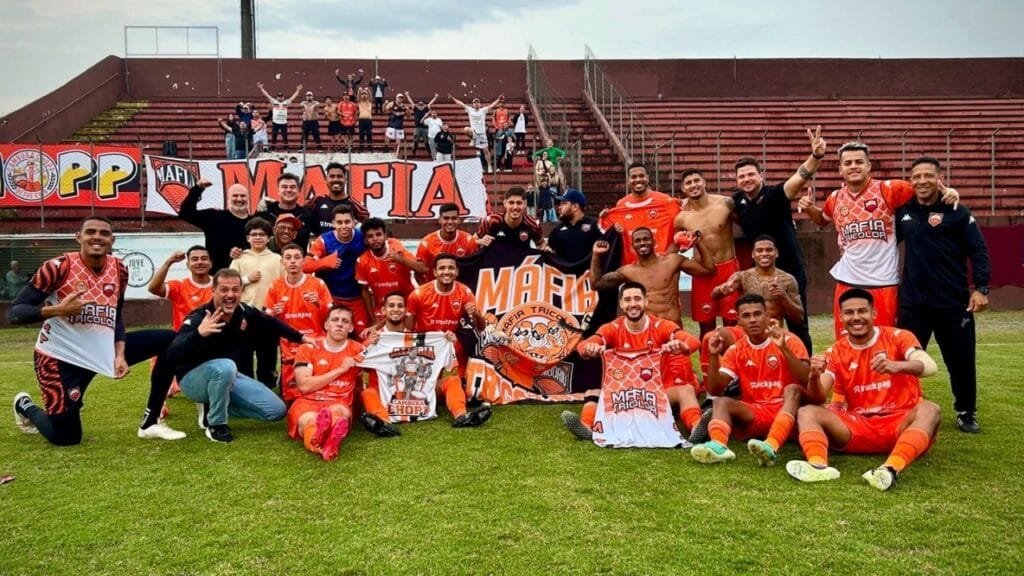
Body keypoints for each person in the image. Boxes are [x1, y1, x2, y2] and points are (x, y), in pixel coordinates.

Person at [10, 216, 186, 445]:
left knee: (171, 339)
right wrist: (57, 310)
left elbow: (115, 317)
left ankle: (150, 422)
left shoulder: (119, 269)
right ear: (78, 237)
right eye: (90, 232)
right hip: (61, 356)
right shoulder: (57, 267)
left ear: (112, 239)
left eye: (104, 233)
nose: (97, 237)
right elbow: (15, 313)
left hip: (103, 350)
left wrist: (120, 354)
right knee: (66, 437)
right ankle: (25, 406)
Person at [785, 288, 942, 491]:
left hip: (900, 423)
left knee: (930, 409)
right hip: (859, 426)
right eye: (849, 312)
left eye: (862, 311)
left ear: (873, 313)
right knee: (807, 411)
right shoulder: (836, 351)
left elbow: (930, 366)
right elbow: (818, 397)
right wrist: (813, 377)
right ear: (841, 317)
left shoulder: (898, 336)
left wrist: (897, 366)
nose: (856, 317)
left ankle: (890, 469)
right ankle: (818, 465)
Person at [799, 140, 959, 337]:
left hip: (883, 284)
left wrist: (948, 191)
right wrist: (809, 208)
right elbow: (823, 220)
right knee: (846, 342)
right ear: (840, 169)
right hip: (847, 281)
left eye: (859, 162)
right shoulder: (835, 198)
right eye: (848, 163)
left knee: (883, 342)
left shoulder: (889, 189)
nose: (853, 166)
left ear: (869, 165)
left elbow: (924, 187)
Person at [896, 156, 991, 433]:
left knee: (961, 359)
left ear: (939, 179)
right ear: (910, 181)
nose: (922, 181)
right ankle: (901, 408)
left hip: (952, 302)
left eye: (928, 175)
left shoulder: (957, 211)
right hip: (914, 303)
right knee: (907, 361)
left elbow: (978, 250)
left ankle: (966, 411)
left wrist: (981, 288)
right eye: (916, 176)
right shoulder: (903, 212)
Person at [167, 268, 310, 443]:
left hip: (227, 375)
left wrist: (301, 338)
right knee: (226, 366)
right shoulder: (200, 317)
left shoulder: (243, 311)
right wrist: (198, 334)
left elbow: (270, 322)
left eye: (235, 289)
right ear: (213, 290)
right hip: (192, 379)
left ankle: (210, 407)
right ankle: (216, 424)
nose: (230, 295)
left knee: (276, 411)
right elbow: (173, 350)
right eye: (224, 289)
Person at [560, 281, 700, 444]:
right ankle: (586, 427)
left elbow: (693, 341)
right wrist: (589, 348)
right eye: (627, 300)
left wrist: (683, 347)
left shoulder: (660, 325)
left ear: (645, 301)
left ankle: (697, 427)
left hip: (657, 394)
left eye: (637, 299)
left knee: (686, 390)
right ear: (621, 304)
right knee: (594, 391)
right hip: (625, 397)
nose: (633, 304)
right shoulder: (613, 328)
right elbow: (584, 345)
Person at [732, 127, 830, 352]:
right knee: (760, 324)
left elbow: (801, 176)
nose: (746, 179)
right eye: (742, 176)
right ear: (736, 181)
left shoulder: (776, 194)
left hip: (789, 268)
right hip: (759, 273)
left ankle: (804, 368)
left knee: (798, 324)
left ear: (761, 175)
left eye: (750, 174)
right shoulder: (737, 202)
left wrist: (816, 156)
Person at [689, 294, 810, 466]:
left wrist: (783, 349)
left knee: (793, 389)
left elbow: (806, 380)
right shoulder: (736, 349)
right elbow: (715, 389)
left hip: (789, 412)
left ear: (767, 316)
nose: (752, 320)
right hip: (756, 412)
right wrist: (714, 356)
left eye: (757, 314)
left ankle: (771, 445)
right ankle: (718, 446)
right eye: (746, 316)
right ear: (739, 321)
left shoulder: (790, 340)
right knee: (720, 402)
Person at [359, 292, 492, 436]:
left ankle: (461, 415)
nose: (396, 309)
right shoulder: (375, 338)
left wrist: (447, 340)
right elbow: (361, 366)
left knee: (452, 380)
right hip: (388, 393)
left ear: (405, 310)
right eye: (391, 306)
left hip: (420, 389)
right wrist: (369, 345)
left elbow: (439, 358)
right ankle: (383, 423)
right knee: (368, 392)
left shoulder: (417, 335)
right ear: (383, 310)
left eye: (400, 306)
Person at [591, 227, 714, 325]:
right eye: (638, 241)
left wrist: (698, 242)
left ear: (654, 242)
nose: (642, 243)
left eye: (646, 239)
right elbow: (596, 284)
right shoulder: (627, 271)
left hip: (673, 327)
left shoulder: (672, 261)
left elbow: (708, 269)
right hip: (647, 330)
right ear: (633, 246)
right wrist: (596, 255)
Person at [288, 306, 363, 461]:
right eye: (335, 320)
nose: (340, 324)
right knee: (309, 419)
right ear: (326, 325)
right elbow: (304, 386)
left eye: (345, 321)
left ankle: (324, 440)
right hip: (308, 400)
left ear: (351, 328)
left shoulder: (359, 350)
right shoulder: (308, 348)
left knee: (338, 413)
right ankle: (321, 440)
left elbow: (381, 362)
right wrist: (340, 370)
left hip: (339, 400)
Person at [674, 168, 739, 338]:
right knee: (706, 325)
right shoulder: (681, 217)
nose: (693, 185)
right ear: (683, 188)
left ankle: (733, 356)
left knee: (732, 323)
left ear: (704, 182)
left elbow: (749, 222)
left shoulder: (725, 204)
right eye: (688, 183)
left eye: (696, 180)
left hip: (728, 269)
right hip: (702, 273)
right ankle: (706, 356)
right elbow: (673, 246)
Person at [265, 243, 331, 404]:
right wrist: (274, 313)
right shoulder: (275, 285)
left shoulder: (318, 284)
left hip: (314, 339)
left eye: (297, 257)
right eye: (288, 258)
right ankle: (290, 396)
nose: (292, 261)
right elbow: (267, 317)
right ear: (282, 262)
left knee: (315, 386)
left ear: (303, 261)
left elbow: (332, 315)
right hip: (289, 342)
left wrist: (319, 304)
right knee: (290, 399)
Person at [405, 253, 486, 375]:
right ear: (435, 272)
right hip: (424, 341)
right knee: (422, 378)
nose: (447, 272)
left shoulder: (465, 292)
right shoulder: (418, 294)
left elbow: (481, 327)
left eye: (451, 268)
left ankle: (459, 376)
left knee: (454, 378)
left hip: (450, 341)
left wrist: (476, 315)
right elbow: (408, 330)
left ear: (457, 272)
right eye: (442, 268)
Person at [303, 205, 370, 336]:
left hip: (356, 298)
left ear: (354, 222)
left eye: (347, 222)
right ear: (333, 223)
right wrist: (325, 262)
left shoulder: (362, 237)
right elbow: (305, 266)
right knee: (329, 336)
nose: (343, 226)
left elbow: (380, 244)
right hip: (331, 298)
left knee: (362, 336)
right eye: (339, 222)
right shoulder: (324, 240)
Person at [711, 235, 803, 329]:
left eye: (769, 250)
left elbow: (799, 318)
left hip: (773, 331)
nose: (764, 254)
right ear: (753, 254)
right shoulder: (742, 277)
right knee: (713, 335)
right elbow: (714, 295)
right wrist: (721, 290)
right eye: (759, 250)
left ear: (776, 253)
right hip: (747, 331)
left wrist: (784, 297)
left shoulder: (787, 280)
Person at [598, 162, 681, 266]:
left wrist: (667, 256)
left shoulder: (664, 201)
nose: (638, 180)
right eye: (634, 177)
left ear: (648, 178)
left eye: (641, 176)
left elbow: (680, 227)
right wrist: (604, 218)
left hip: (660, 265)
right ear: (628, 180)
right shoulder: (621, 205)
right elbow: (611, 233)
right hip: (632, 266)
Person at [355, 218, 427, 328]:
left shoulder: (398, 250)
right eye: (370, 236)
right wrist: (372, 318)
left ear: (385, 236)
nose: (375, 239)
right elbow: (364, 290)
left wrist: (401, 260)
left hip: (407, 305)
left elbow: (423, 268)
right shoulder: (362, 260)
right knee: (372, 334)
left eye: (378, 234)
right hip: (383, 308)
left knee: (411, 333)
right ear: (365, 240)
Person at [179, 178, 251, 273]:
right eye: (235, 196)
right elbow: (185, 213)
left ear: (248, 198)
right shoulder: (214, 216)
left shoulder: (254, 222)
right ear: (228, 198)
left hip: (247, 275)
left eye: (243, 196)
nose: (239, 199)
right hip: (216, 275)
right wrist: (198, 188)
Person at [415, 202, 478, 283]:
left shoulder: (468, 240)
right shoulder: (426, 244)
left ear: (459, 220)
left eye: (454, 218)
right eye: (446, 218)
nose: (450, 222)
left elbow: (475, 268)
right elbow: (418, 272)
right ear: (440, 220)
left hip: (460, 288)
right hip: (435, 288)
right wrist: (428, 289)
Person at [306, 162, 370, 238]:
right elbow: (303, 219)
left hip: (347, 246)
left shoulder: (355, 205)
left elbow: (367, 227)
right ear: (326, 180)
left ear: (345, 180)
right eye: (332, 176)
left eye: (339, 176)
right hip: (322, 245)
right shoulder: (316, 200)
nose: (336, 179)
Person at [449, 94, 503, 173]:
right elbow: (461, 103)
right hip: (474, 132)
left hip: (482, 134)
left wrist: (498, 99)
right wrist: (453, 98)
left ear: (480, 104)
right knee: (466, 129)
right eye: (475, 102)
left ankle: (489, 166)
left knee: (486, 151)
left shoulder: (483, 110)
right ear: (473, 104)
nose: (476, 104)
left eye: (478, 102)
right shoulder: (470, 109)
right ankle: (472, 139)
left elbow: (492, 105)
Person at [256, 172, 312, 248]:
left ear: (298, 191)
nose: (288, 190)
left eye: (292, 187)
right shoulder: (266, 211)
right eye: (284, 187)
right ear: (278, 190)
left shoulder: (307, 214)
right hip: (269, 255)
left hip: (298, 255)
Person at [546, 188, 602, 264]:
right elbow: (549, 254)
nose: (560, 207)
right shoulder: (557, 231)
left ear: (575, 206)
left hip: (588, 271)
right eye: (560, 204)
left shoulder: (594, 226)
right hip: (564, 271)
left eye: (564, 203)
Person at [476, 187, 543, 249]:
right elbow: (473, 241)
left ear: (525, 204)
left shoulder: (533, 223)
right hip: (496, 258)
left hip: (521, 258)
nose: (515, 207)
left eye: (519, 203)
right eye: (511, 203)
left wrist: (544, 249)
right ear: (505, 203)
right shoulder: (491, 221)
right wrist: (480, 242)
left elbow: (541, 244)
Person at [256, 82, 303, 150]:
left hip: (284, 122)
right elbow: (267, 95)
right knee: (274, 136)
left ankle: (286, 148)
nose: (280, 98)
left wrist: (298, 90)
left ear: (283, 97)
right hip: (275, 122)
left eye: (281, 97)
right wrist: (261, 88)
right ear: (277, 97)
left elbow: (293, 97)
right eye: (279, 96)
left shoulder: (286, 103)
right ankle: (273, 148)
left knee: (285, 136)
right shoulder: (274, 102)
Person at [383, 91, 412, 156]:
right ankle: (386, 149)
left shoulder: (404, 106)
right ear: (396, 98)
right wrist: (385, 104)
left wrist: (408, 110)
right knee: (387, 137)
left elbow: (408, 116)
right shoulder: (392, 104)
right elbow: (384, 110)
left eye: (401, 98)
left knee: (398, 140)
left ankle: (397, 152)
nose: (400, 99)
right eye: (399, 97)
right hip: (391, 125)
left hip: (399, 126)